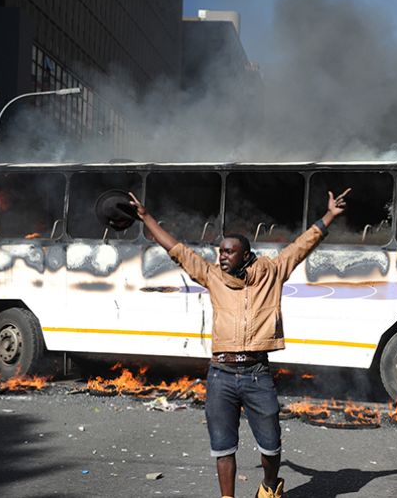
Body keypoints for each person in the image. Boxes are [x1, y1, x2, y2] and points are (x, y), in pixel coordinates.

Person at [129, 188, 350, 498]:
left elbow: (302, 245)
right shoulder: (211, 275)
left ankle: (270, 486)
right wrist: (146, 217)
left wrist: (328, 216)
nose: (221, 256)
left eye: (228, 252)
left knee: (271, 445)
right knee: (223, 447)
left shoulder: (272, 272)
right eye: (220, 251)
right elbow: (176, 249)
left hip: (257, 374)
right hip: (221, 374)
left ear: (245, 255)